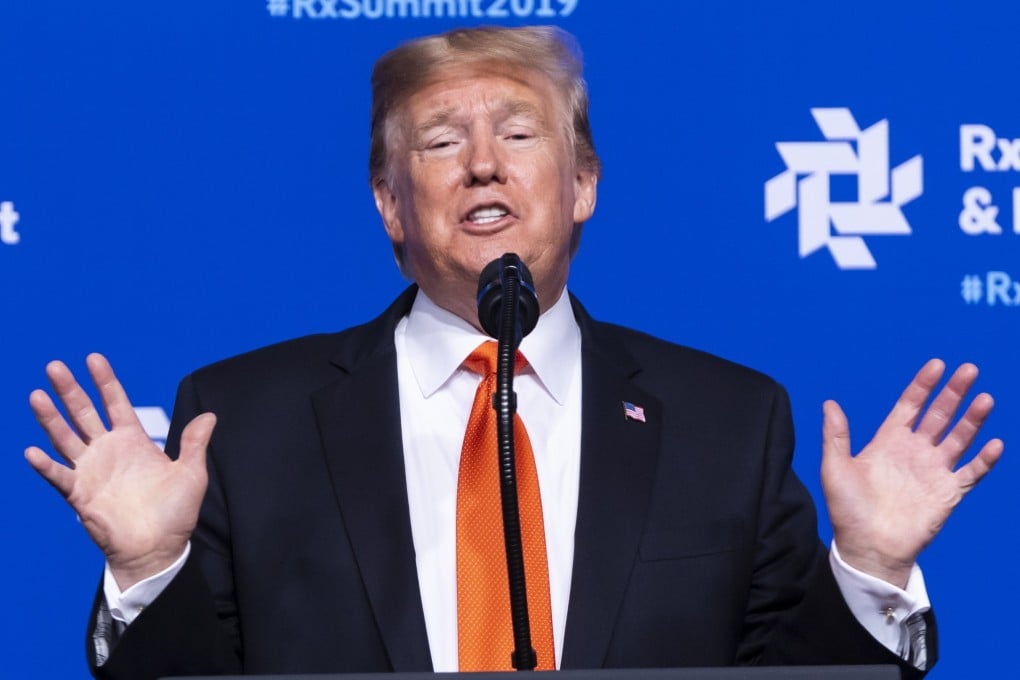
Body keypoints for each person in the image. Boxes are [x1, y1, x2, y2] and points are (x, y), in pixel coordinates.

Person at [26, 26, 1001, 680]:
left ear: (583, 184)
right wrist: (150, 569)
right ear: (387, 203)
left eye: (520, 131)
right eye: (441, 139)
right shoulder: (249, 416)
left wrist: (869, 569)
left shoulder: (727, 420)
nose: (484, 160)